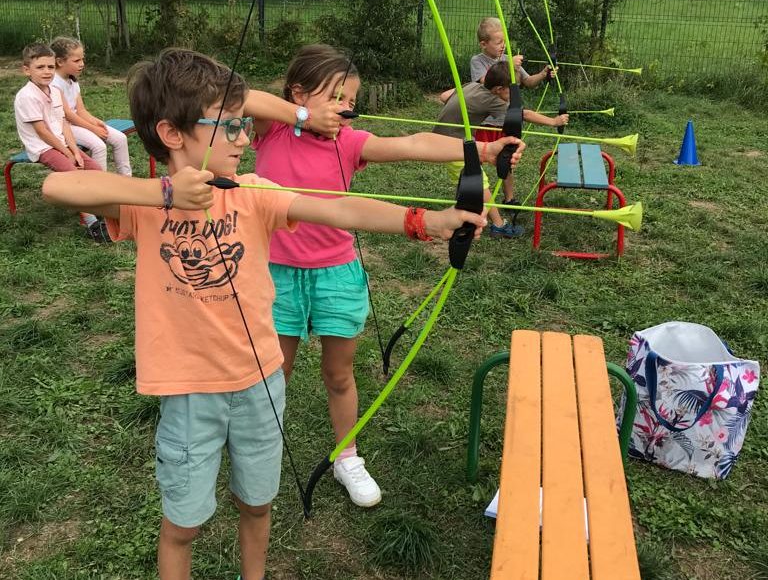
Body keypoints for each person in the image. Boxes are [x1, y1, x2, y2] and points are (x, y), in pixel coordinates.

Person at [41, 47, 488, 580]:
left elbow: (338, 207)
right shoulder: (142, 204)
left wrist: (425, 222)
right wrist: (163, 191)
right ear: (172, 133)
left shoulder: (254, 193)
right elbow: (58, 185)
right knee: (181, 526)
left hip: (260, 383)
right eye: (228, 127)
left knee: (257, 505)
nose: (244, 138)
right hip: (189, 391)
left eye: (242, 126)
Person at [245, 44, 524, 509]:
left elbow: (414, 143)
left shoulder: (349, 142)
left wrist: (483, 147)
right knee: (275, 373)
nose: (345, 108)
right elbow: (238, 96)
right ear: (297, 92)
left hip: (336, 272)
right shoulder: (270, 130)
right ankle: (258, 450)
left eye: (350, 99)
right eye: (334, 97)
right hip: (276, 274)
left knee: (339, 373)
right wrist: (300, 116)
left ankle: (346, 455)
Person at [434, 60, 568, 238]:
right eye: (511, 91)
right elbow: (523, 114)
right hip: (452, 144)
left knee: (467, 179)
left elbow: (444, 96)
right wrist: (554, 121)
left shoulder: (472, 86)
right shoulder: (491, 100)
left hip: (442, 139)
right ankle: (498, 225)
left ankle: (464, 211)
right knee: (480, 182)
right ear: (498, 89)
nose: (514, 95)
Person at [440, 17, 558, 216]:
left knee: (507, 161)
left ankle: (509, 199)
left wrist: (544, 74)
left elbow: (527, 81)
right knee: (473, 163)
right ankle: (469, 197)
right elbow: (487, 81)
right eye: (498, 42)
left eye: (504, 42)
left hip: (504, 122)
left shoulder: (507, 59)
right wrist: (510, 64)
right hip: (485, 124)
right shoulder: (478, 61)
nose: (502, 46)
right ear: (484, 44)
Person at [13, 43, 108, 242]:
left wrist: (74, 150)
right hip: (42, 147)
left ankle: (101, 208)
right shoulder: (26, 96)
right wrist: (67, 153)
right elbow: (42, 131)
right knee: (75, 175)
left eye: (50, 67)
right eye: (40, 67)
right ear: (26, 70)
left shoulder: (55, 91)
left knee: (95, 168)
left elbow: (63, 123)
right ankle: (92, 223)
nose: (47, 72)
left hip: (62, 143)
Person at [50, 36, 133, 176]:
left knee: (120, 138)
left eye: (82, 59)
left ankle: (126, 179)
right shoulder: (54, 83)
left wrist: (95, 121)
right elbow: (68, 114)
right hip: (64, 127)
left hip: (77, 123)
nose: (82, 64)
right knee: (99, 146)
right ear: (59, 62)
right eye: (76, 60)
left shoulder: (72, 81)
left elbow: (80, 110)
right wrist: (92, 128)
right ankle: (100, 189)